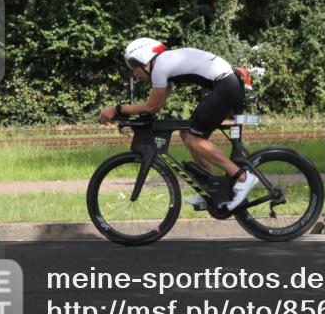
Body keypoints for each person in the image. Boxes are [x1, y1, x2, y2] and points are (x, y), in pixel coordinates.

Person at [96, 37, 257, 211]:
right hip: (227, 84)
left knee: (194, 139)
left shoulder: (160, 67)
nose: (134, 73)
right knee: (187, 134)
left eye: (133, 66)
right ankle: (211, 189)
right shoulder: (167, 65)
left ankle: (242, 178)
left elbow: (151, 107)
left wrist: (116, 109)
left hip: (226, 86)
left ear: (144, 59)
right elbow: (156, 107)